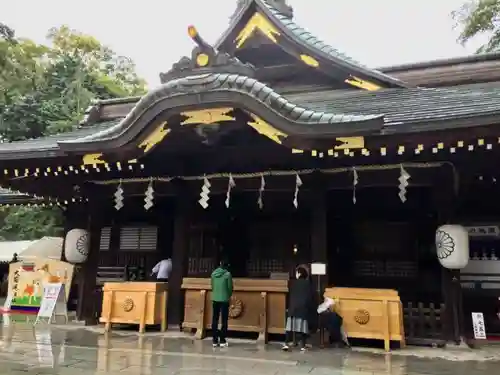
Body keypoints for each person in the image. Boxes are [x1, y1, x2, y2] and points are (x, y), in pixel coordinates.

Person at [282, 266, 315, 351]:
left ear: (299, 274)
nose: (296, 274)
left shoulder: (293, 283)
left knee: (289, 327)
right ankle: (303, 345)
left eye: (296, 273)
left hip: (293, 307)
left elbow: (290, 295)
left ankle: (286, 344)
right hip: (303, 308)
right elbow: (310, 297)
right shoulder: (307, 284)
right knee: (302, 327)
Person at [211, 260, 233, 347]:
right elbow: (230, 288)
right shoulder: (228, 275)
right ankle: (222, 340)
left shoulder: (213, 274)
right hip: (224, 300)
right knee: (224, 320)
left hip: (215, 299)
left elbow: (212, 286)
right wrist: (228, 296)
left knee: (215, 319)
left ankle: (214, 340)